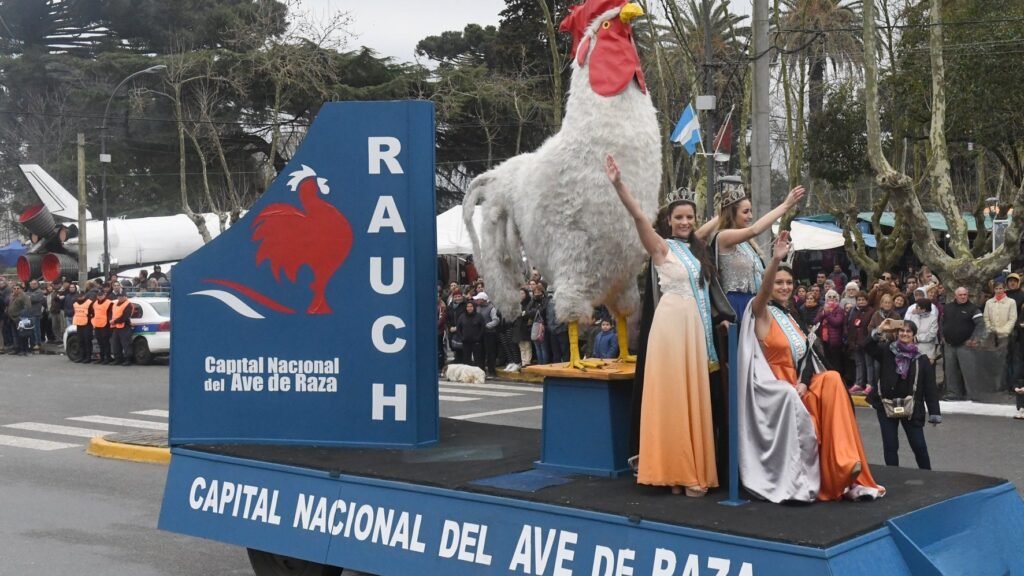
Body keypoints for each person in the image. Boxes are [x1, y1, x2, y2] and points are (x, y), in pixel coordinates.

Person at [740, 231, 884, 502]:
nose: (783, 287)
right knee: (797, 396)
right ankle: (830, 476)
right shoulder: (761, 312)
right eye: (778, 282)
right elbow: (761, 294)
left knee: (831, 379)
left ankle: (846, 466)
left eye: (788, 282)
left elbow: (807, 356)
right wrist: (775, 261)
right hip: (775, 387)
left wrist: (805, 381)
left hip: (800, 383)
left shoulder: (793, 317)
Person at [607, 154, 718, 497]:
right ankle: (676, 471)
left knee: (690, 398)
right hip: (670, 330)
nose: (684, 222)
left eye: (689, 217)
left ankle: (684, 471)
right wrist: (619, 185)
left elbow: (717, 225)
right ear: (668, 221)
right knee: (671, 399)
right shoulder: (661, 248)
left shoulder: (697, 250)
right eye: (679, 218)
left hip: (693, 330)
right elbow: (639, 216)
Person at [696, 177, 805, 322]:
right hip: (735, 305)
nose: (751, 216)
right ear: (732, 213)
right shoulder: (723, 236)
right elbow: (755, 230)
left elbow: (762, 277)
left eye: (751, 211)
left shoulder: (747, 244)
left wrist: (777, 257)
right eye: (746, 212)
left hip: (754, 303)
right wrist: (785, 206)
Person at [866, 319, 941, 469]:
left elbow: (930, 388)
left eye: (908, 331)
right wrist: (880, 329)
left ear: (913, 335)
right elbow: (867, 346)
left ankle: (927, 475)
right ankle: (894, 475)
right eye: (902, 331)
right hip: (886, 405)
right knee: (890, 445)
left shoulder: (922, 359)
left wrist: (934, 412)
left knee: (919, 445)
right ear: (897, 333)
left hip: (912, 408)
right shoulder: (886, 351)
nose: (904, 334)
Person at [847, 292, 875, 394]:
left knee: (869, 364)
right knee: (859, 363)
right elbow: (851, 327)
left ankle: (870, 384)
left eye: (863, 299)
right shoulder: (854, 312)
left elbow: (871, 329)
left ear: (867, 301)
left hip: (867, 343)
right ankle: (858, 383)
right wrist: (852, 342)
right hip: (855, 342)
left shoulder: (872, 312)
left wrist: (865, 341)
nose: (861, 302)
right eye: (859, 300)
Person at [905, 288, 939, 361]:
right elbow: (908, 328)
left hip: (927, 351)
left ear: (923, 309)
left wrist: (918, 338)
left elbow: (932, 334)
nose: (915, 308)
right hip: (913, 350)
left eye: (918, 307)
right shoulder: (913, 316)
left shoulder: (933, 319)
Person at [816, 289, 846, 373]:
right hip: (825, 338)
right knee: (827, 360)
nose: (832, 298)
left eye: (834, 296)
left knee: (836, 361)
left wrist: (827, 313)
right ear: (826, 298)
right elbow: (816, 321)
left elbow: (837, 322)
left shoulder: (839, 309)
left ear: (837, 298)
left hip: (835, 340)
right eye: (829, 297)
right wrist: (823, 313)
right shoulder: (823, 308)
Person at [455, 300, 486, 369]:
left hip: (476, 342)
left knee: (478, 360)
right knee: (466, 360)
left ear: (474, 307)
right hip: (466, 342)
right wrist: (462, 338)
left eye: (471, 306)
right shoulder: (462, 317)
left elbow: (482, 328)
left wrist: (479, 337)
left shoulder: (479, 316)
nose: (469, 308)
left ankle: (480, 373)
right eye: (468, 307)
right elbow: (458, 328)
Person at [110, 293, 134, 365]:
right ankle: (118, 359)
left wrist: (114, 321)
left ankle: (128, 360)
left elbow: (125, 317)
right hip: (116, 327)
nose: (120, 298)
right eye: (119, 296)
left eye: (122, 296)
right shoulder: (115, 304)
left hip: (125, 326)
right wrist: (112, 320)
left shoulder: (128, 304)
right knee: (115, 344)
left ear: (125, 297)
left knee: (126, 344)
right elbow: (112, 314)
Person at [7, 284, 31, 356]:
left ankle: (24, 349)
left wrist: (20, 316)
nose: (16, 290)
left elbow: (28, 307)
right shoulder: (11, 296)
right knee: (14, 335)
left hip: (20, 318)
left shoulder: (24, 296)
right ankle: (16, 348)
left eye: (18, 288)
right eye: (14, 288)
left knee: (22, 335)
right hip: (11, 318)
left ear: (21, 289)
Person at [91, 290, 114, 364]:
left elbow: (111, 314)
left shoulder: (109, 303)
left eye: (101, 296)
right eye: (98, 296)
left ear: (104, 295)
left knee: (105, 342)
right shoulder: (95, 303)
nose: (100, 297)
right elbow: (93, 313)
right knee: (100, 342)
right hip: (97, 325)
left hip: (106, 325)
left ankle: (108, 358)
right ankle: (102, 357)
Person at [512, 288, 534, 367]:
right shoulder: (517, 304)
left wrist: (524, 314)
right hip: (518, 327)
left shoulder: (529, 303)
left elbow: (529, 313)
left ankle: (528, 362)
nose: (521, 295)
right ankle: (523, 361)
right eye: (520, 294)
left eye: (523, 293)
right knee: (521, 347)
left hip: (526, 326)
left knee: (527, 345)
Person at [72, 291, 94, 363]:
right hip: (79, 324)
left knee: (87, 341)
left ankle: (88, 357)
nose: (80, 297)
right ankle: (82, 356)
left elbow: (93, 313)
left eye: (82, 296)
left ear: (84, 296)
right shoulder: (75, 303)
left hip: (87, 325)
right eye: (79, 296)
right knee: (80, 341)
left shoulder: (89, 303)